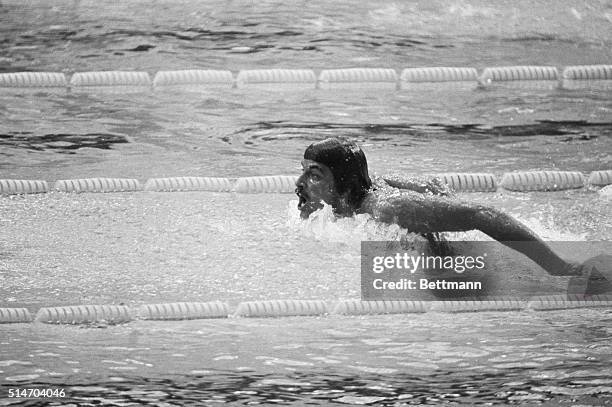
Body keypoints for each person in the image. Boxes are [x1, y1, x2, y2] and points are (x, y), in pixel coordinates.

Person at [294, 137, 611, 292]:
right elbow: (431, 185)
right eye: (305, 172)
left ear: (344, 180)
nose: (301, 183)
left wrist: (558, 266)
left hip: (462, 279)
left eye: (315, 175)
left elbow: (480, 213)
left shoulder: (388, 207)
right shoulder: (364, 192)